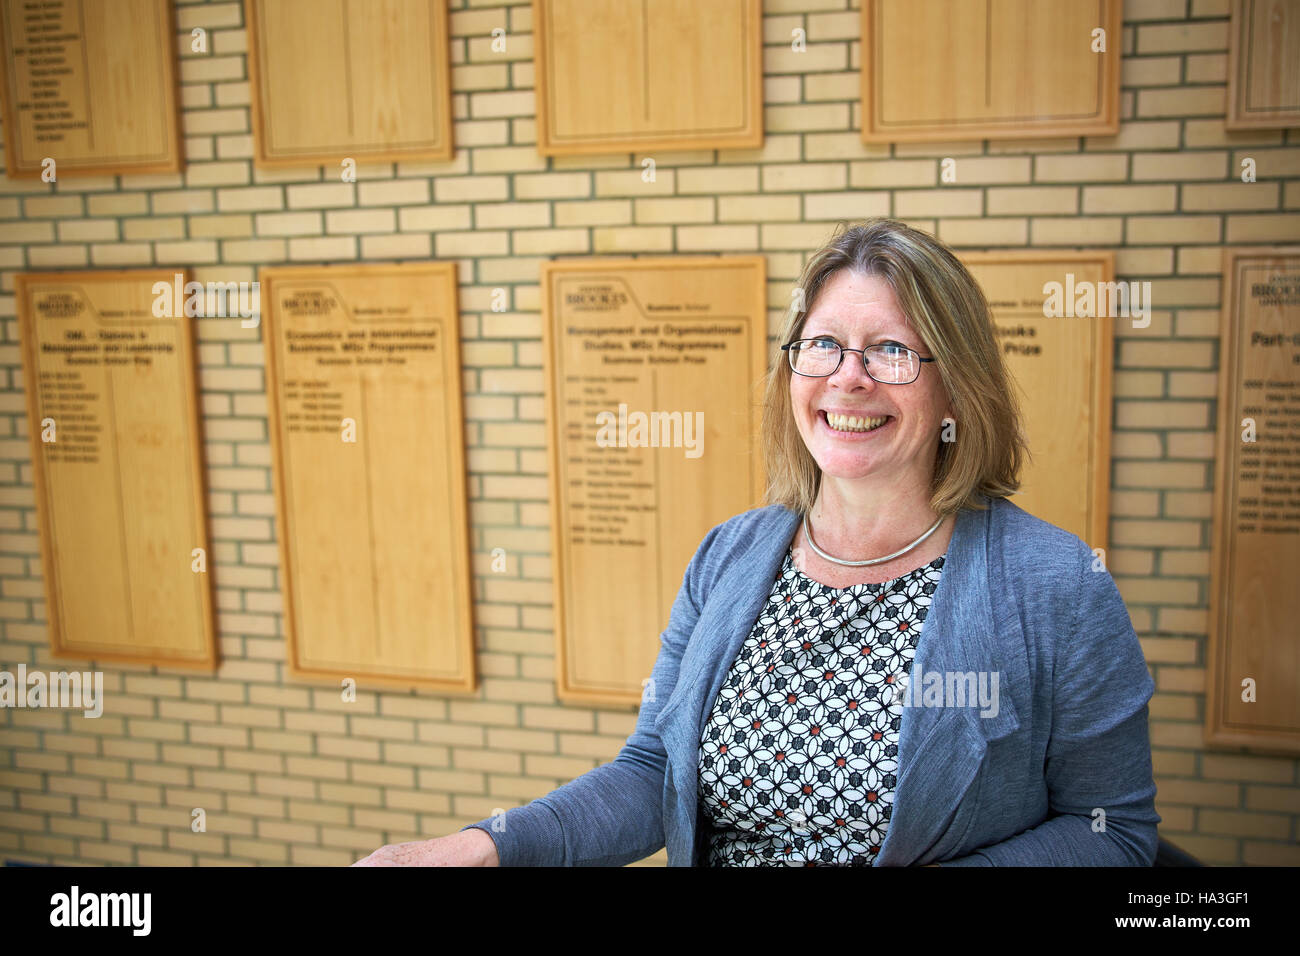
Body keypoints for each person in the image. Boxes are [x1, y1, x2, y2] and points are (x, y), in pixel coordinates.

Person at [353, 218, 1160, 867]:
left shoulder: (1057, 585)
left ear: (957, 388)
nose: (850, 377)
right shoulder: (730, 556)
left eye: (891, 350)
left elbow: (1111, 831)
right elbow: (652, 775)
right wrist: (482, 846)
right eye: (824, 344)